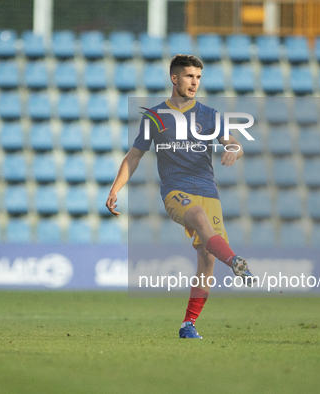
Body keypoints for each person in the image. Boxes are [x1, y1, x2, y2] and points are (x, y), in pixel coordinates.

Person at [106, 54, 255, 339]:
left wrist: (233, 150)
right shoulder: (155, 117)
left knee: (207, 257)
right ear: (174, 78)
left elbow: (234, 143)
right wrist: (115, 188)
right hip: (175, 190)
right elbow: (134, 155)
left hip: (208, 190)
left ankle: (188, 324)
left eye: (198, 77)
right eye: (189, 76)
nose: (194, 82)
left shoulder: (210, 115)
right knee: (198, 218)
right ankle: (235, 261)